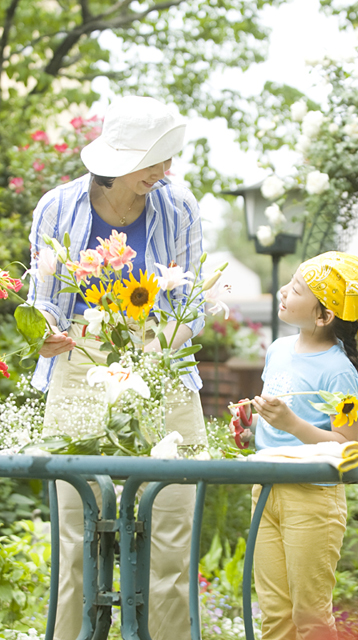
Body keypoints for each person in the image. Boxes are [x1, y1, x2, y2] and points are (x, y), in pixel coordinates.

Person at [27, 95, 207, 640]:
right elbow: (41, 300)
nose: (164, 171)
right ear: (118, 161)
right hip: (80, 358)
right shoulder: (57, 206)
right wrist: (43, 334)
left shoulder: (179, 204)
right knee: (78, 523)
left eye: (167, 159)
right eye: (153, 160)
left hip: (161, 356)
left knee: (174, 515)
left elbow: (191, 296)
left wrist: (162, 344)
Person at [232, 251, 358, 640]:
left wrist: (292, 424)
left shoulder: (338, 371)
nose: (283, 290)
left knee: (311, 616)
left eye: (296, 288)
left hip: (312, 499)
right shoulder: (277, 350)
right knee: (275, 614)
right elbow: (277, 424)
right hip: (265, 490)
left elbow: (348, 443)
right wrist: (251, 427)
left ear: (323, 316)